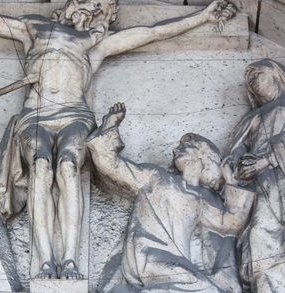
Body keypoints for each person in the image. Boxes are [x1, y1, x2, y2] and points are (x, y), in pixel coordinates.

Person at [0, 0, 236, 279]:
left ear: (102, 18)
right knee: (41, 167)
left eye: (98, 8)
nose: (89, 9)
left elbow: (148, 33)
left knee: (69, 167)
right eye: (85, 2)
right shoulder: (33, 28)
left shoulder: (94, 45)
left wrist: (202, 17)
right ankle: (45, 260)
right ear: (69, 5)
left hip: (75, 115)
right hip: (35, 115)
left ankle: (69, 258)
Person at [87, 103, 254, 292]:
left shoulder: (201, 199)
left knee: (199, 282)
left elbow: (231, 222)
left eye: (185, 146)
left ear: (203, 156)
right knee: (206, 287)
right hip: (147, 254)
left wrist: (231, 181)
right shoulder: (156, 176)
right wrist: (110, 124)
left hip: (175, 260)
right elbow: (113, 167)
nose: (176, 149)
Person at [226, 59, 285, 292]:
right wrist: (240, 167)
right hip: (261, 187)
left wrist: (266, 161)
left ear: (277, 74)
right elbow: (236, 151)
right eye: (249, 79)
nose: (253, 81)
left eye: (258, 74)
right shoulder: (252, 118)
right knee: (259, 235)